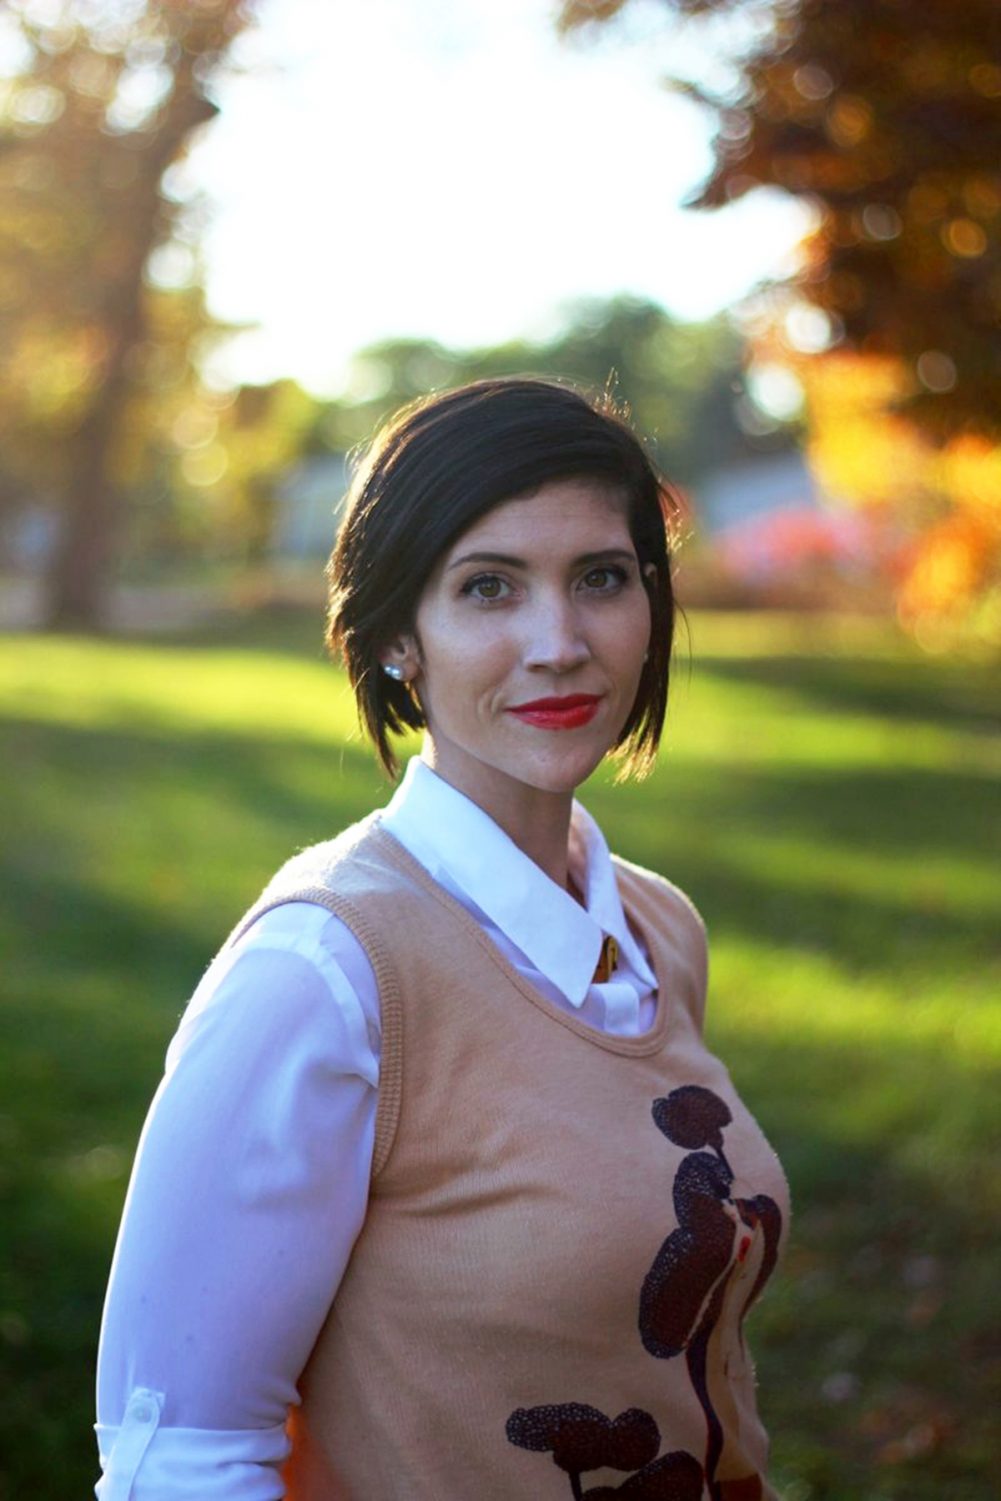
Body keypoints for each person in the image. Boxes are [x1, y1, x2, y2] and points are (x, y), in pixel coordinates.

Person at [95, 376, 789, 1501]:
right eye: (487, 588)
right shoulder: (321, 973)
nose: (558, 642)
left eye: (600, 579)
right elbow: (179, 1455)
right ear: (397, 640)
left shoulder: (658, 929)